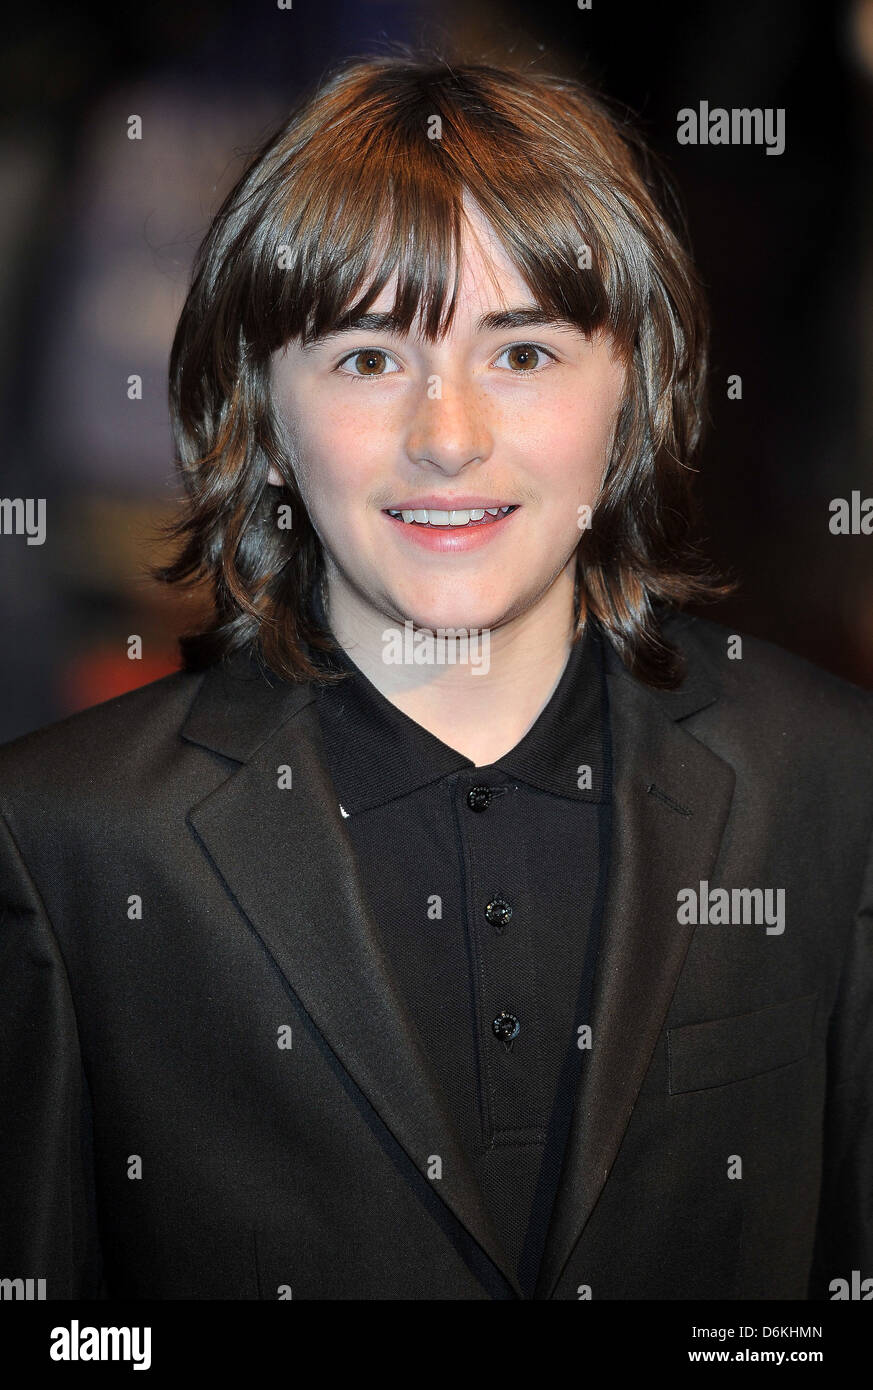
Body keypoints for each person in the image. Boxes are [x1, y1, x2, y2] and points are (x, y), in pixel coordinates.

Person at [1, 51, 871, 1302]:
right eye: (366, 357)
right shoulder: (65, 842)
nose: (448, 434)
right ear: (264, 413)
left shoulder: (831, 787)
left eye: (522, 354)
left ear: (634, 391)